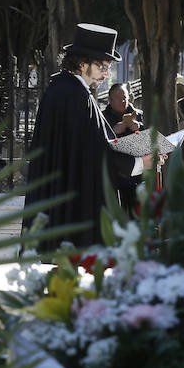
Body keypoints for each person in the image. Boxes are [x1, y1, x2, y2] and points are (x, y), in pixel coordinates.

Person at [23, 23, 152, 251]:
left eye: (108, 67)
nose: (106, 74)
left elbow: (90, 144)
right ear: (83, 64)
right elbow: (97, 151)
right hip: (70, 206)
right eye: (102, 66)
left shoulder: (64, 89)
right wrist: (140, 163)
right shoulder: (75, 95)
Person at [103, 83, 145, 215]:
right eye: (119, 98)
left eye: (125, 98)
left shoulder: (138, 115)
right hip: (114, 173)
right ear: (110, 100)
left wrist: (139, 128)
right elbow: (100, 143)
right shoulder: (102, 117)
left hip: (136, 173)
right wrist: (114, 131)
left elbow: (147, 139)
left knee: (136, 213)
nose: (123, 101)